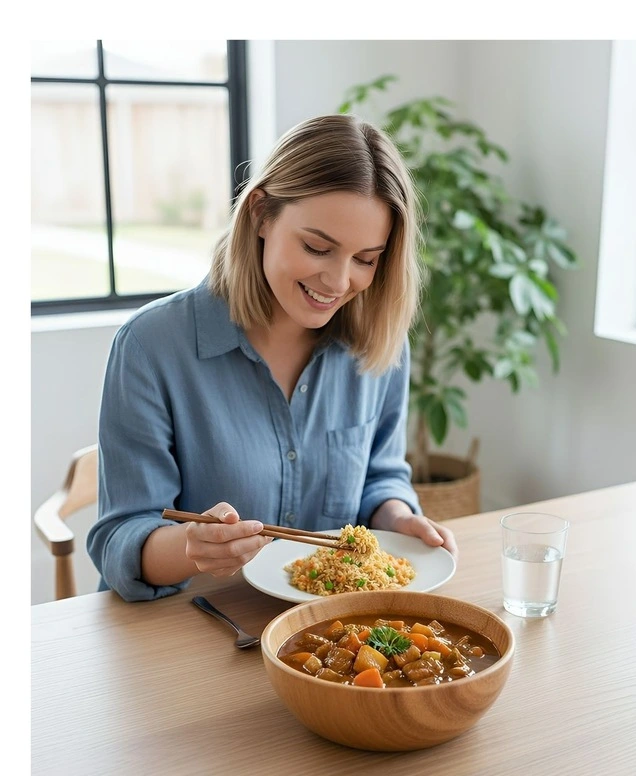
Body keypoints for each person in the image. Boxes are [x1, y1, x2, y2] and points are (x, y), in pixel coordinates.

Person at [87, 113, 458, 602]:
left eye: (366, 259)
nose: (339, 281)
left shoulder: (379, 343)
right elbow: (120, 540)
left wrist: (397, 517)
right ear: (261, 214)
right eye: (317, 247)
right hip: (194, 631)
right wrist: (193, 547)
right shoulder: (152, 346)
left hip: (328, 640)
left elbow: (379, 476)